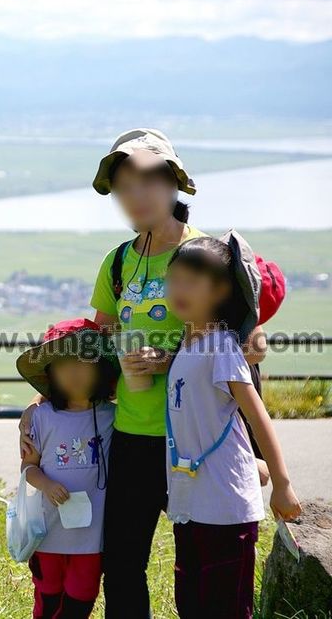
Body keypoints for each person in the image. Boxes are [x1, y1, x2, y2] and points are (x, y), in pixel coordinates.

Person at [18, 128, 269, 618]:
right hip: (131, 433)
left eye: (147, 181)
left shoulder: (210, 256)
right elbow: (96, 347)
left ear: (174, 182)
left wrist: (170, 362)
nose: (135, 196)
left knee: (197, 563)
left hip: (197, 440)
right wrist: (45, 397)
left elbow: (246, 352)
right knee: (122, 561)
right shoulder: (117, 263)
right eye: (124, 186)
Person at [163, 233, 301, 618]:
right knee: (191, 602)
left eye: (191, 281)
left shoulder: (222, 347)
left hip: (225, 505)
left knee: (225, 605)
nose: (179, 289)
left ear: (221, 290)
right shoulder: (186, 345)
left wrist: (282, 484)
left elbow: (258, 418)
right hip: (191, 503)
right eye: (173, 279)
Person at [16, 318, 119, 619]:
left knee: (83, 595)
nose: (73, 372)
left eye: (83, 362)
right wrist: (46, 484)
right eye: (62, 364)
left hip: (92, 533)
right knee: (48, 595)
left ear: (101, 367)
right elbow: (28, 468)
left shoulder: (115, 416)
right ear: (49, 373)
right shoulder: (42, 418)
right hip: (48, 531)